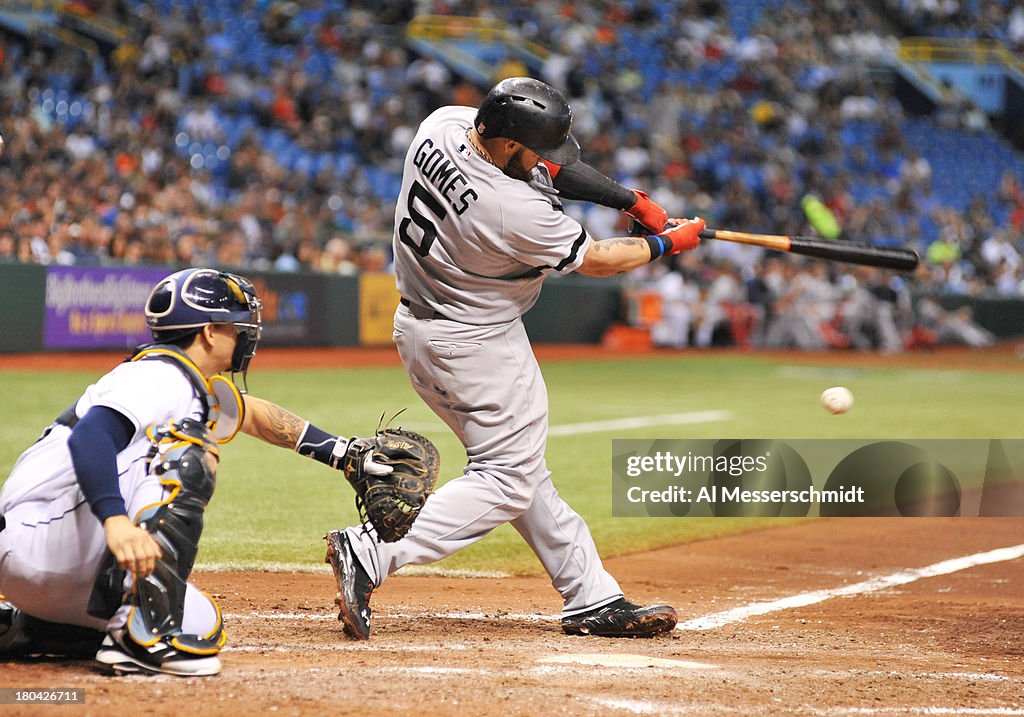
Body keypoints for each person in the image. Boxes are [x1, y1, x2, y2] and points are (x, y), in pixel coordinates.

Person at [324, 77, 704, 640]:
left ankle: (591, 596)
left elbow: (545, 169)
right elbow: (598, 259)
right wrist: (667, 243)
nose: (547, 164)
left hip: (423, 331)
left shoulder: (443, 125)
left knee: (523, 471)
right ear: (507, 146)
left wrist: (630, 201)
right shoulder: (511, 210)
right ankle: (373, 550)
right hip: (477, 343)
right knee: (507, 479)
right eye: (536, 153)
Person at [0, 268, 392, 676]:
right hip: (45, 534)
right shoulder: (160, 376)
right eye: (236, 326)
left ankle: (31, 627)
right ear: (208, 332)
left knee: (202, 625)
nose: (245, 335)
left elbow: (252, 414)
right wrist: (115, 521)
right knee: (191, 448)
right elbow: (91, 437)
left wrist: (346, 454)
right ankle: (141, 639)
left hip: (47, 564)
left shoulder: (183, 382)